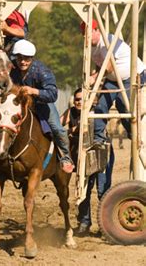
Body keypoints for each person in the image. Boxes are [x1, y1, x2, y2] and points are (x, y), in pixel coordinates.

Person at [10, 39, 74, 173]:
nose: (22, 62)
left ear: (32, 58)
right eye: (19, 58)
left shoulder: (42, 71)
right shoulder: (12, 70)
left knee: (57, 128)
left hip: (42, 105)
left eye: (26, 59)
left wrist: (33, 91)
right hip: (19, 105)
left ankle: (66, 157)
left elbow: (52, 94)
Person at [81, 19, 146, 146]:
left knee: (125, 106)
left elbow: (109, 66)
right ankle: (98, 138)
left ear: (97, 30)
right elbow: (100, 64)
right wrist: (94, 75)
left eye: (88, 33)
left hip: (132, 77)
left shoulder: (107, 41)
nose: (85, 36)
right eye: (83, 33)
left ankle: (135, 134)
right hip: (112, 80)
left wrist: (95, 78)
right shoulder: (90, 47)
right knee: (101, 106)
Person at [60, 88, 115, 236]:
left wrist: (73, 130)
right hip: (82, 155)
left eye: (82, 99)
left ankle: (107, 226)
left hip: (100, 152)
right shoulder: (71, 112)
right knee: (83, 190)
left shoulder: (96, 112)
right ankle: (84, 223)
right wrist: (71, 130)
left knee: (103, 190)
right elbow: (58, 127)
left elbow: (91, 129)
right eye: (77, 99)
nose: (79, 102)